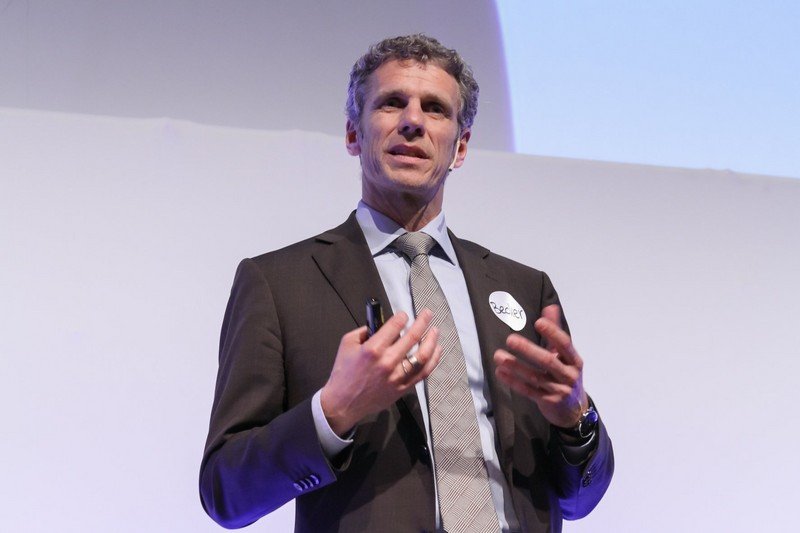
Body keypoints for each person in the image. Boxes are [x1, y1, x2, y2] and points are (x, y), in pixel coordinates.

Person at [200, 34, 613, 533]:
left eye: (435, 108)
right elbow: (226, 493)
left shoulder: (525, 288)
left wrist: (576, 421)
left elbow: (578, 500)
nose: (413, 121)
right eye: (392, 103)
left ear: (460, 147)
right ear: (353, 134)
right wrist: (333, 412)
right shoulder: (280, 284)